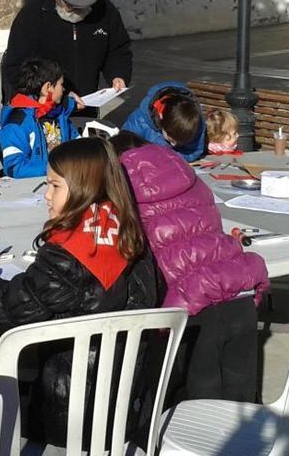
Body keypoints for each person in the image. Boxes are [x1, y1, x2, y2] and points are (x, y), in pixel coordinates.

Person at [0, 137, 164, 447]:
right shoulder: (131, 237)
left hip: (66, 411)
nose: (46, 195)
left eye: (55, 186)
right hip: (124, 407)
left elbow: (8, 308)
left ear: (83, 187)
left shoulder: (68, 255)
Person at [111, 131, 270, 403]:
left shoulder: (121, 185)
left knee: (197, 417)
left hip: (191, 312)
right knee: (242, 408)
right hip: (238, 296)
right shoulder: (183, 171)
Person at [1, 0, 132, 116]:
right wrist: (59, 95)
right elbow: (16, 69)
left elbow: (117, 50)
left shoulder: (105, 10)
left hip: (86, 107)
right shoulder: (32, 17)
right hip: (44, 112)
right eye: (72, 6)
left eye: (85, 6)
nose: (79, 12)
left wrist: (118, 75)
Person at [0, 58, 79, 178]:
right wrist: (59, 168)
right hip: (32, 186)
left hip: (64, 179)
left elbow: (78, 144)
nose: (64, 89)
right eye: (61, 84)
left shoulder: (59, 113)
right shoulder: (17, 123)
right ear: (48, 87)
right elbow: (14, 167)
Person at [121, 81, 207, 162]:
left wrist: (172, 157)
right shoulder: (140, 120)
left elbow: (194, 151)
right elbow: (123, 146)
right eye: (170, 139)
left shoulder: (194, 121)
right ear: (161, 117)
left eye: (180, 141)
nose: (174, 145)